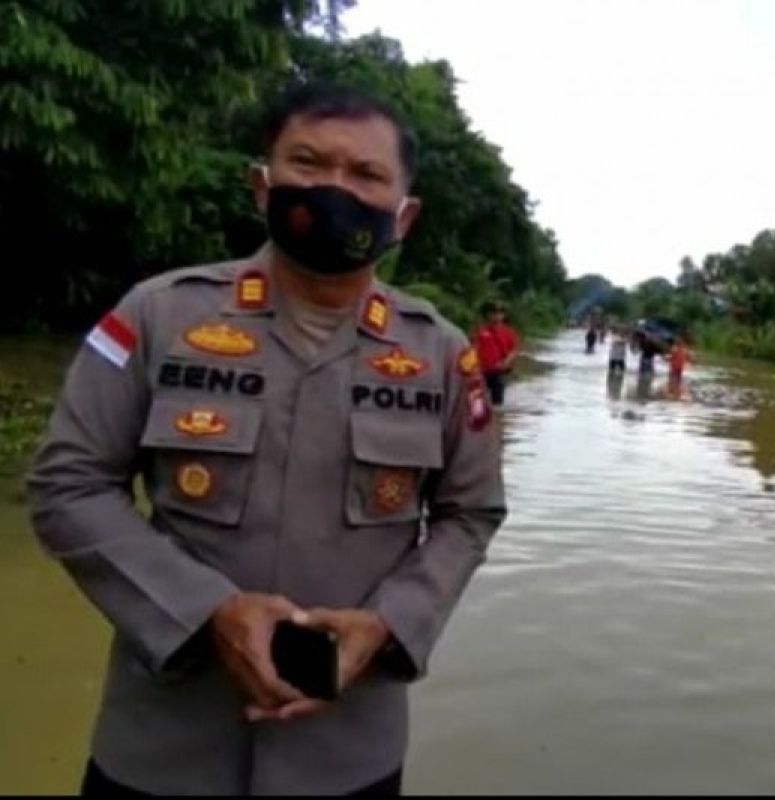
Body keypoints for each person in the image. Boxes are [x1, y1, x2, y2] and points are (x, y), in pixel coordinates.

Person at [25, 81, 506, 796]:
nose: (335, 188)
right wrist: (204, 612)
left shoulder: (440, 353)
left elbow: (471, 513)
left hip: (348, 754)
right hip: (159, 748)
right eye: (308, 162)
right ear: (261, 185)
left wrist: (389, 625)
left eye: (367, 174)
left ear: (404, 216)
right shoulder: (157, 315)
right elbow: (67, 484)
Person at [473, 300, 518, 406]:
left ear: (503, 315)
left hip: (498, 372)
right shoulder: (480, 330)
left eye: (499, 313)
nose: (497, 316)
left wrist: (506, 362)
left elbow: (514, 350)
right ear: (489, 315)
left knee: (497, 404)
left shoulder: (509, 332)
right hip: (481, 372)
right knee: (478, 403)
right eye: (494, 313)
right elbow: (473, 348)